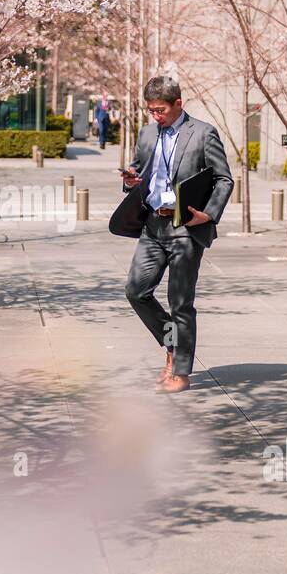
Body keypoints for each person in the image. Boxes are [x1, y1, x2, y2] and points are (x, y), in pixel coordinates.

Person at [122, 76, 234, 393]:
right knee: (136, 290)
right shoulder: (146, 134)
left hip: (185, 226)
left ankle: (181, 372)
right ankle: (172, 344)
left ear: (178, 105)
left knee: (180, 301)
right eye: (151, 111)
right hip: (152, 225)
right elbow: (138, 170)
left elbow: (224, 180)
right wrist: (130, 181)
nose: (156, 116)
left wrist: (208, 214)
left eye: (161, 110)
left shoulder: (203, 133)